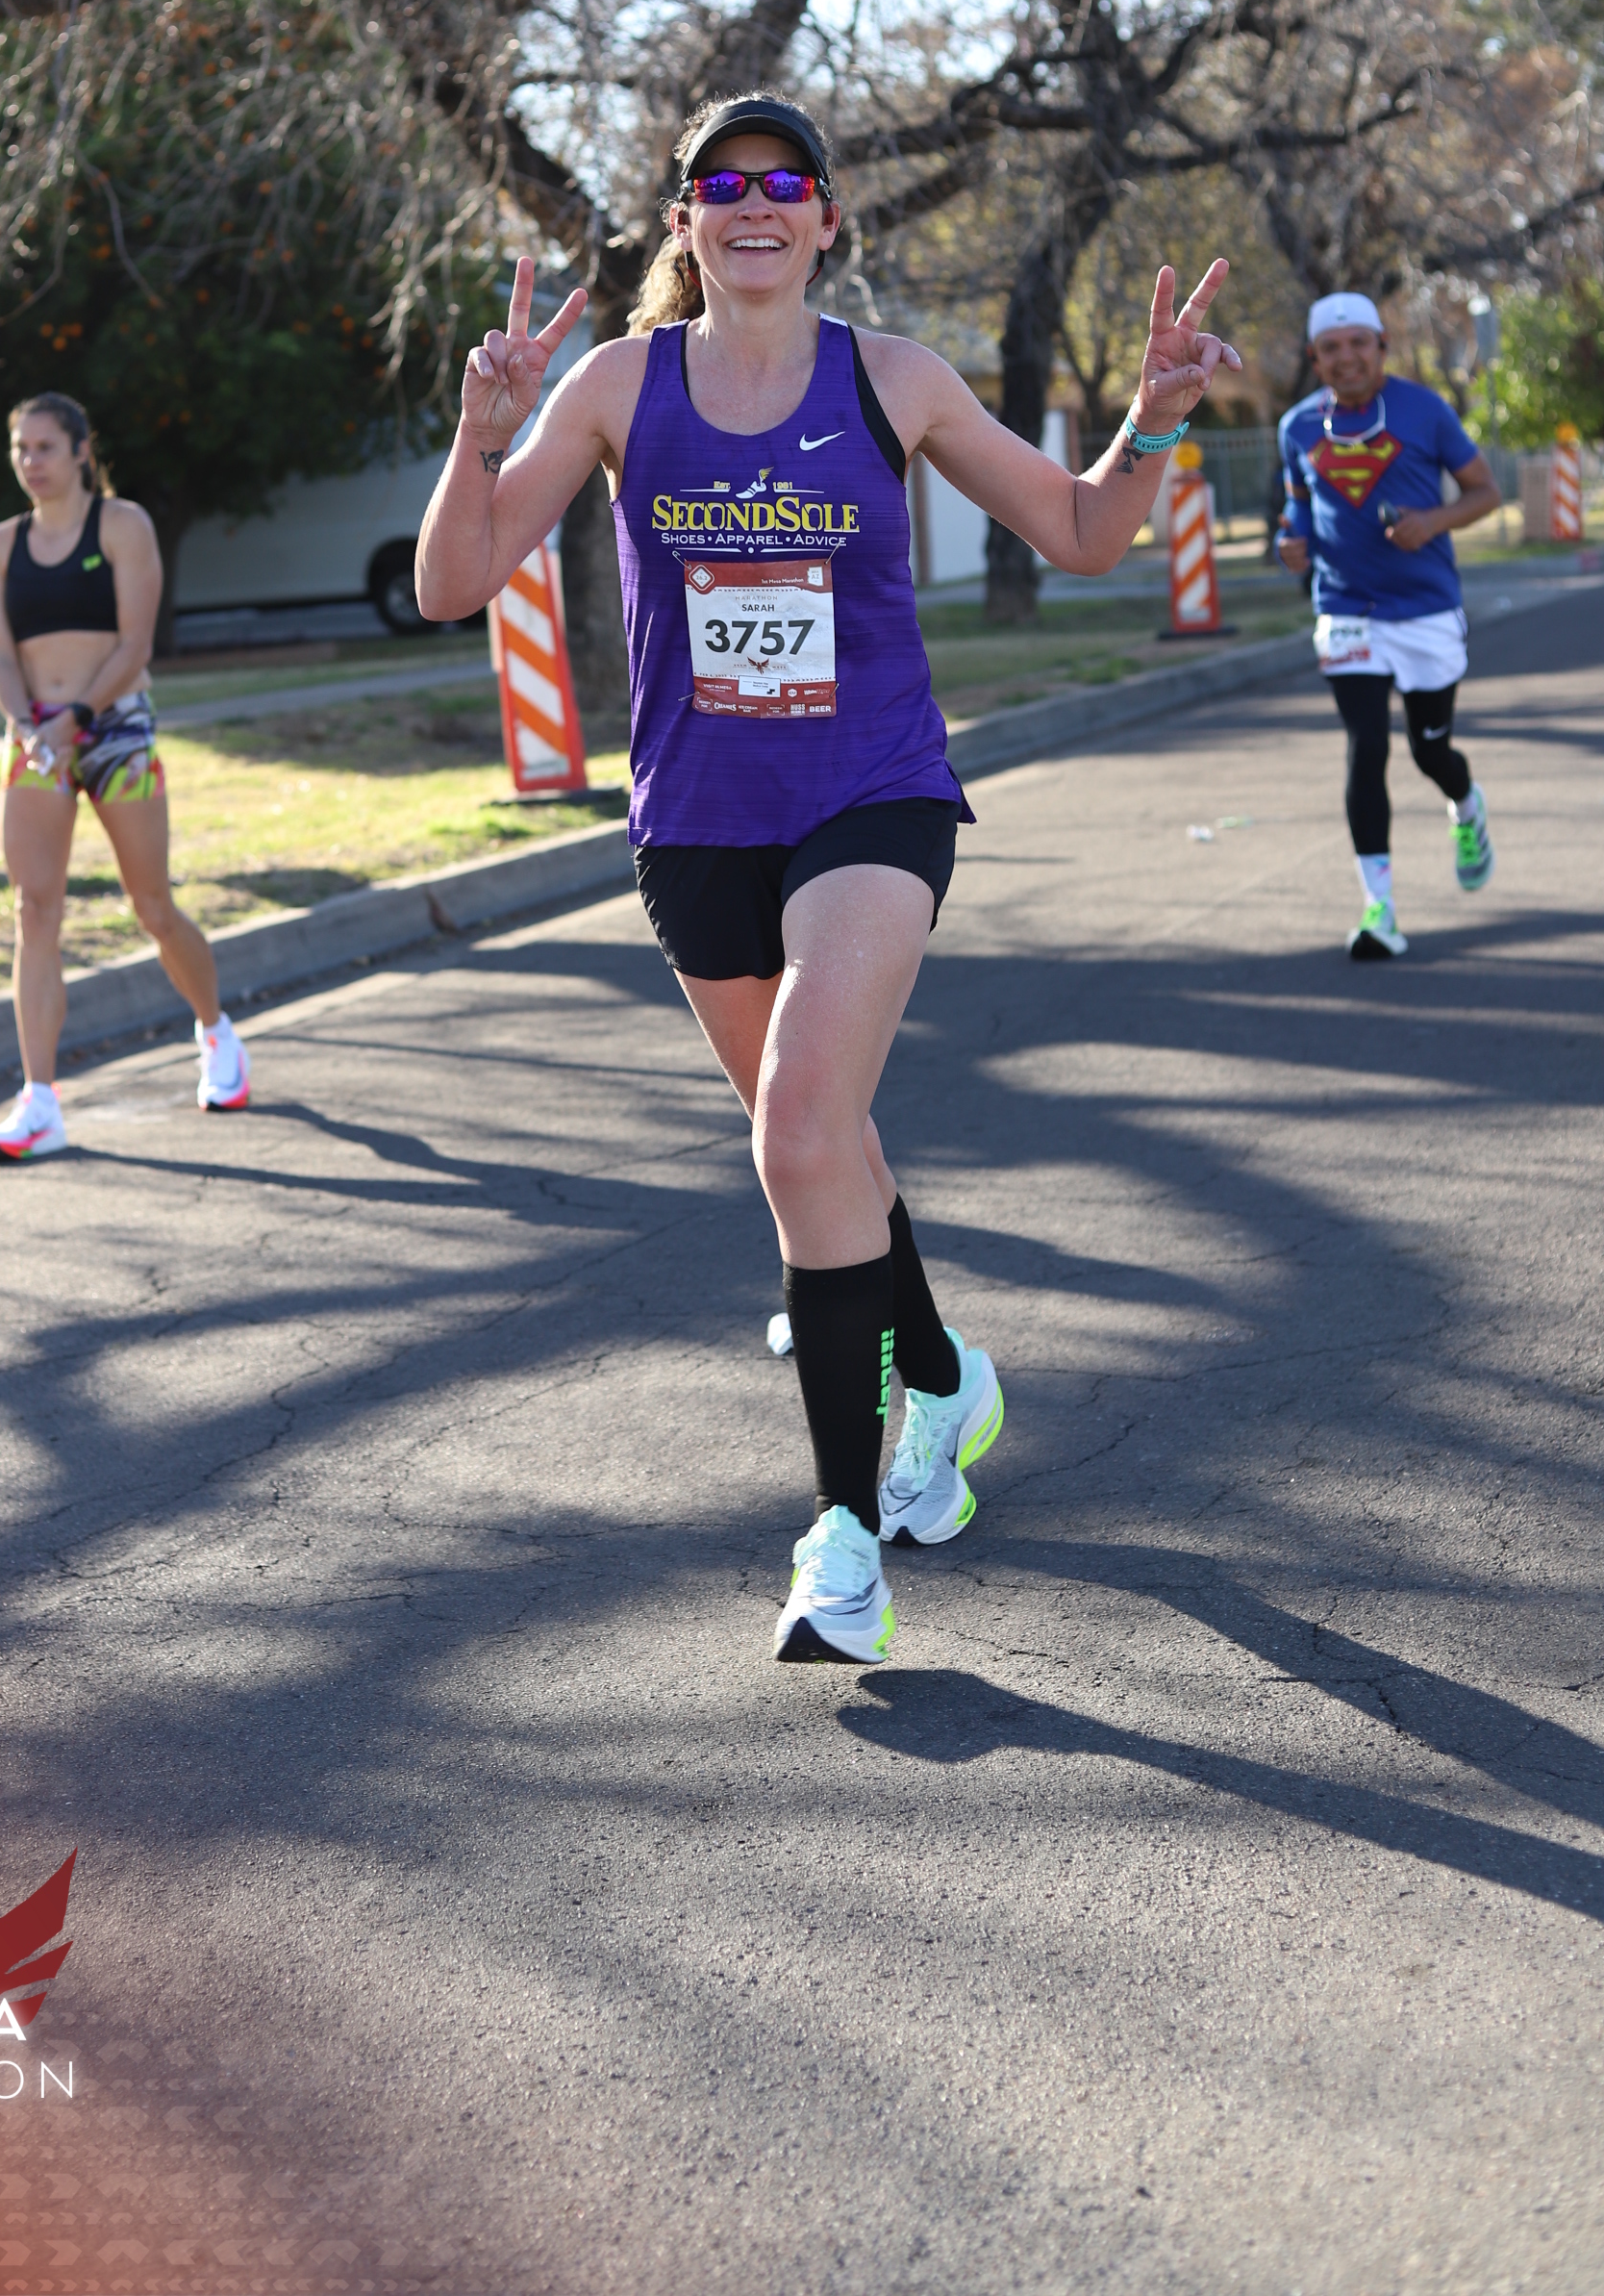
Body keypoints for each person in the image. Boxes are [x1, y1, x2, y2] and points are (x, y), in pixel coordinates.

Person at [414, 91, 1239, 1666]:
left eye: (784, 183)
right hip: (696, 822)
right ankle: (944, 1376)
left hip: (871, 794)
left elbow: (1081, 532)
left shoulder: (893, 378)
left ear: (826, 217)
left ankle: (844, 1540)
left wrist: (1152, 418)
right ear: (684, 220)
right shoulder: (615, 385)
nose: (755, 205)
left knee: (796, 1126)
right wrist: (481, 432)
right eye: (721, 185)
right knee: (825, 1146)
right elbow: (455, 582)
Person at [0, 391, 249, 1161]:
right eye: (21, 448)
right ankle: (38, 1103)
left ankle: (217, 1033)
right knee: (34, 911)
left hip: (114, 728)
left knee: (152, 906)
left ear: (81, 451)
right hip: (36, 738)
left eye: (45, 447)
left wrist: (76, 719)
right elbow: (1, 656)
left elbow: (135, 645)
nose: (31, 462)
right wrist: (27, 724)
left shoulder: (123, 526)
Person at [1275, 294, 1500, 960]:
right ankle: (1380, 911)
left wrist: (1433, 522)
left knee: (1431, 753)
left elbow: (1485, 491)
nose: (1346, 358)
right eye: (1331, 348)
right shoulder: (1297, 427)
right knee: (1367, 746)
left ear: (1382, 346)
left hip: (1426, 609)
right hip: (1346, 610)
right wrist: (1291, 543)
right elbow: (1297, 508)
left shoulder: (1424, 410)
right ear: (1315, 358)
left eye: (1358, 344)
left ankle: (1466, 805)